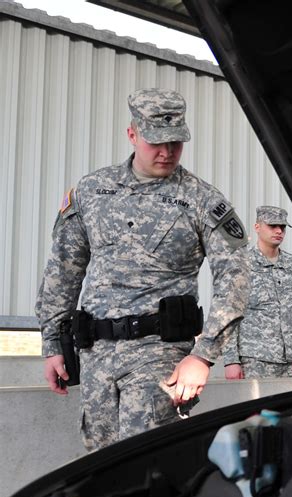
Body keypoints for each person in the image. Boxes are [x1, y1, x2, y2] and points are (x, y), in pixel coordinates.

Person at [36, 88, 249, 450]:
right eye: (156, 142)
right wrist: (53, 343)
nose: (167, 152)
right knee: (101, 466)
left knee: (148, 465)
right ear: (132, 134)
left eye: (176, 142)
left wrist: (203, 356)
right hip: (96, 356)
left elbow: (236, 278)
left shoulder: (202, 200)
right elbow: (64, 268)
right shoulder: (91, 191)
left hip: (159, 356)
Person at [223, 205, 292, 379]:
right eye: (272, 226)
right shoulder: (241, 264)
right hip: (255, 359)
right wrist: (231, 360)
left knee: (291, 406)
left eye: (282, 227)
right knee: (255, 406)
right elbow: (229, 314)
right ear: (257, 227)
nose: (278, 231)